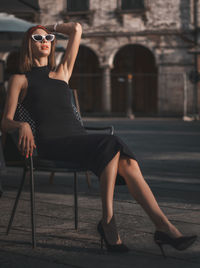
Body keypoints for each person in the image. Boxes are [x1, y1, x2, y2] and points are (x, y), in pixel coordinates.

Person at [0, 23, 197, 256]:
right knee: (111, 144)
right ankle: (110, 222)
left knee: (129, 163)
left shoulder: (62, 71)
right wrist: (21, 125)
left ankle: (162, 227)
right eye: (37, 38)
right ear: (28, 45)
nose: (45, 41)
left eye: (49, 37)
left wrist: (48, 25)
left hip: (78, 140)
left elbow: (75, 28)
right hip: (51, 145)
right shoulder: (20, 79)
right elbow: (5, 121)